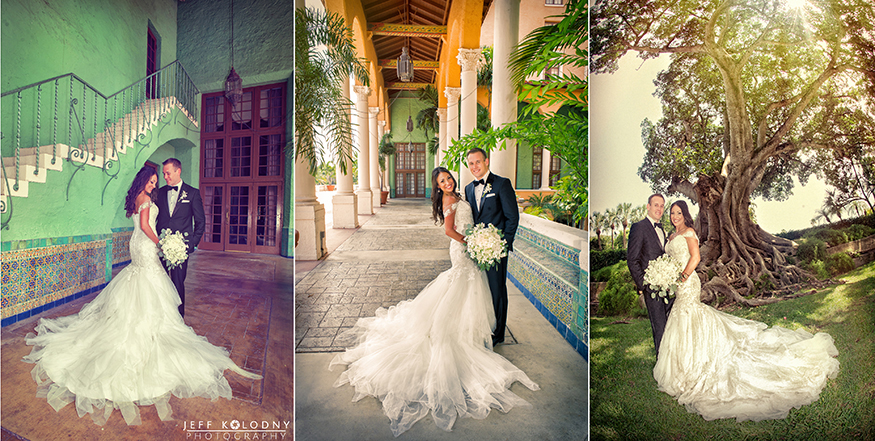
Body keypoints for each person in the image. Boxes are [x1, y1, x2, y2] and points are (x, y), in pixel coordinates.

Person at [22, 166, 260, 426]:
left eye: (156, 181)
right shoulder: (146, 200)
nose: (154, 184)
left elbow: (141, 223)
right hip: (146, 245)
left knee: (142, 282)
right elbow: (146, 225)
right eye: (151, 180)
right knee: (151, 283)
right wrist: (161, 243)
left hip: (136, 246)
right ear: (143, 181)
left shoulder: (137, 198)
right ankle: (151, 327)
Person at [330, 167, 539, 437]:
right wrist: (472, 242)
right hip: (462, 249)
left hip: (470, 247)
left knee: (470, 291)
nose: (448, 182)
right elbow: (450, 231)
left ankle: (471, 331)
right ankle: (450, 332)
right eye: (442, 181)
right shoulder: (449, 200)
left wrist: (478, 240)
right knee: (460, 288)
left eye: (449, 178)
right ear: (438, 187)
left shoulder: (462, 193)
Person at [653, 200, 840, 421]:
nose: (675, 216)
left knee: (689, 315)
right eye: (672, 213)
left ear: (685, 215)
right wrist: (664, 276)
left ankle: (696, 366)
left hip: (687, 283)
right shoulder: (670, 237)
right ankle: (682, 368)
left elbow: (696, 258)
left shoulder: (689, 232)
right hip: (678, 285)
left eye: (679, 213)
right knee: (682, 320)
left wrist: (681, 277)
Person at [464, 148, 519, 346]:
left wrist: (503, 245)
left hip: (496, 248)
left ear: (486, 161)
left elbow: (512, 217)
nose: (474, 167)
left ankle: (498, 333)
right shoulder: (469, 188)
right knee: (480, 289)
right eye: (471, 163)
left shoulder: (501, 184)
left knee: (497, 290)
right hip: (478, 249)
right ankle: (484, 325)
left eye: (478, 162)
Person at [156, 158, 205, 318]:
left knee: (177, 284)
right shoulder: (160, 192)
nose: (165, 177)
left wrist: (191, 245)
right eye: (163, 174)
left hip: (180, 249)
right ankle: (161, 315)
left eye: (168, 173)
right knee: (159, 283)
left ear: (178, 171)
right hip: (160, 247)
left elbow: (200, 222)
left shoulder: (192, 193)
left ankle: (178, 318)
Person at [627, 193, 673, 355]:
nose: (659, 209)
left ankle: (671, 361)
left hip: (668, 287)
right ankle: (662, 365)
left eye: (661, 206)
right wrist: (644, 285)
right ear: (648, 206)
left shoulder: (663, 230)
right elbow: (632, 259)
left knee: (670, 324)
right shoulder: (639, 227)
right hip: (651, 288)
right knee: (659, 327)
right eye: (656, 205)